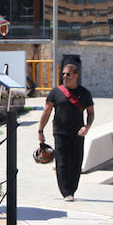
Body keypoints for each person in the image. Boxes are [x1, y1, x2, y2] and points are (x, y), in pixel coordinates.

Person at [37, 64, 95, 201]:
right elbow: (47, 111)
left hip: (78, 132)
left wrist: (87, 126)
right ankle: (66, 191)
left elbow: (90, 112)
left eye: (68, 74)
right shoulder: (55, 92)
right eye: (63, 74)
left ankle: (72, 189)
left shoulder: (84, 93)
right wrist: (40, 130)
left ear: (76, 75)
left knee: (76, 162)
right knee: (62, 162)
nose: (64, 76)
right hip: (60, 132)